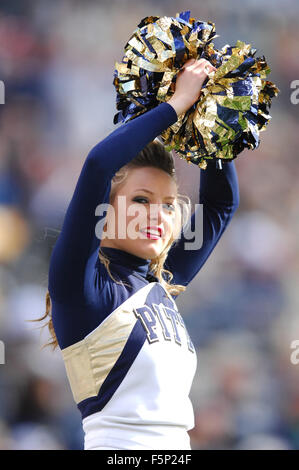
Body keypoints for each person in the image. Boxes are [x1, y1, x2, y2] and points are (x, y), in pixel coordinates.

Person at [42, 58, 240, 450]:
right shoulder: (85, 288)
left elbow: (220, 203)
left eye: (168, 204)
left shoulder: (162, 284)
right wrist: (178, 103)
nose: (157, 214)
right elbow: (100, 164)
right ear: (104, 210)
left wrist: (208, 116)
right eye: (141, 199)